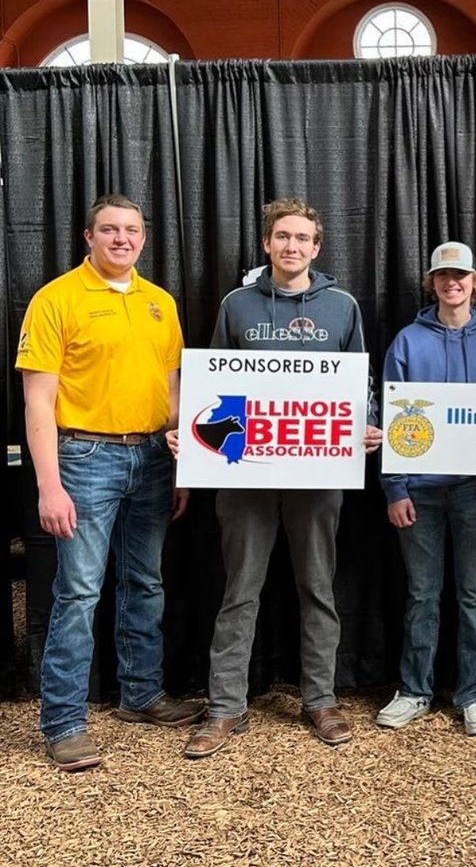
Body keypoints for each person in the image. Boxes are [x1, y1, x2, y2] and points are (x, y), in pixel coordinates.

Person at [178, 197, 383, 758]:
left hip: (319, 472)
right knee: (239, 590)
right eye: (283, 237)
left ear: (317, 248)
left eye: (303, 238)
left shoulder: (341, 306)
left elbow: (360, 383)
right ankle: (225, 706)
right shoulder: (237, 304)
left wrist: (366, 424)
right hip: (245, 472)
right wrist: (191, 430)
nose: (292, 246)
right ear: (267, 243)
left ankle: (321, 699)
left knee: (317, 586)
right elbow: (214, 382)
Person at [16, 193, 203, 772]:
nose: (122, 239)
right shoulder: (56, 299)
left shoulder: (159, 302)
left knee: (145, 582)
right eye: (110, 230)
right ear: (89, 237)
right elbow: (38, 400)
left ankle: (141, 694)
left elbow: (172, 390)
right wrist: (49, 485)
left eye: (132, 230)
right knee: (78, 592)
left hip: (152, 456)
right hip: (83, 456)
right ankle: (64, 722)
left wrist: (185, 464)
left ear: (143, 238)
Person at [376, 241, 476, 735]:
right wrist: (395, 489)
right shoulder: (408, 341)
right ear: (432, 283)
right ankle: (414, 691)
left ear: (475, 282)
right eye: (444, 276)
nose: (453, 283)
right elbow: (389, 415)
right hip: (420, 493)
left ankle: (475, 694)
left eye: (461, 276)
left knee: (474, 595)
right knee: (422, 595)